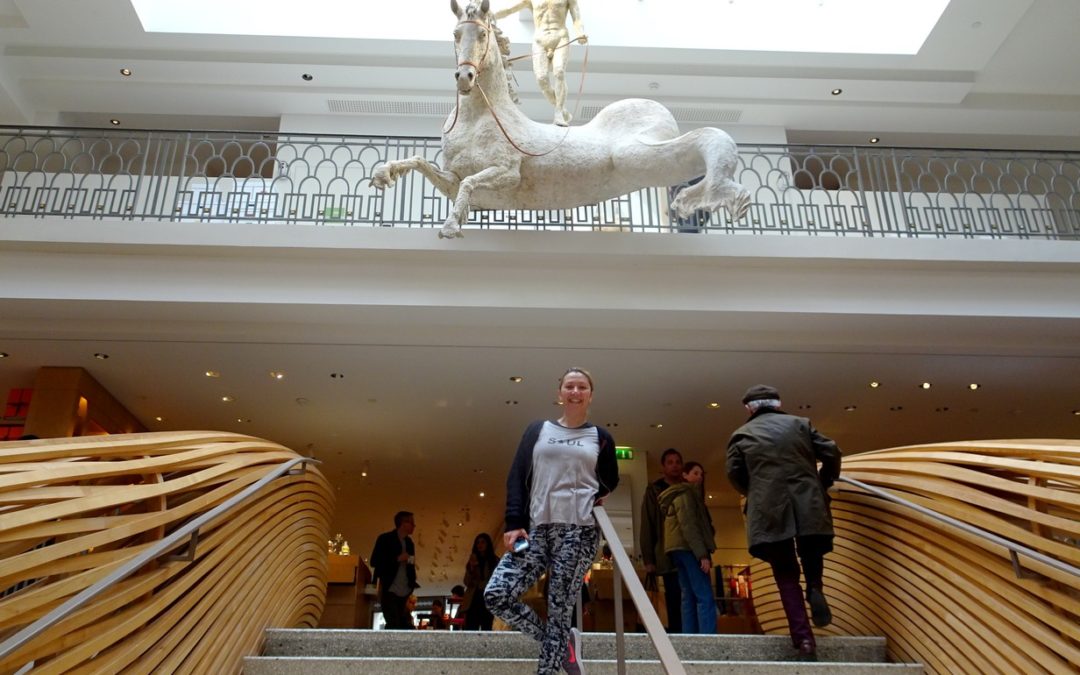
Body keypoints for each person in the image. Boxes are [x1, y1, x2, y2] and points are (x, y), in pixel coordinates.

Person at [485, 367, 619, 675]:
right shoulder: (537, 430)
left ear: (590, 395)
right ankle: (560, 644)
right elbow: (516, 476)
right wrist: (513, 522)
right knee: (496, 594)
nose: (575, 392)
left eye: (581, 387)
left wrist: (594, 497)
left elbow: (610, 479)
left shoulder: (601, 437)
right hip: (534, 530)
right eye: (569, 386)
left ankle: (552, 658)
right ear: (559, 394)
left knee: (560, 606)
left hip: (579, 531)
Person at [725, 385, 842, 661]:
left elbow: (734, 474)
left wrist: (754, 492)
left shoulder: (741, 435)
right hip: (808, 501)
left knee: (786, 576)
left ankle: (804, 642)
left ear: (749, 409)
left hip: (769, 510)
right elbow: (832, 451)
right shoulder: (800, 424)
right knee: (811, 550)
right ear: (778, 404)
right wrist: (822, 481)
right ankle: (815, 587)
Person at [494, 0, 586, 126]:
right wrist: (489, 15)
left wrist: (580, 32)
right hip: (539, 40)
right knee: (541, 78)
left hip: (560, 37)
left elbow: (577, 17)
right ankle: (561, 108)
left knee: (559, 72)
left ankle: (558, 112)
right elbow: (509, 10)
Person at [658, 461, 717, 634]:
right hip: (689, 549)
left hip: (677, 550)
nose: (699, 477)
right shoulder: (686, 495)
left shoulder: (677, 495)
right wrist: (702, 554)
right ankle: (709, 638)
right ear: (685, 475)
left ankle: (689, 636)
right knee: (704, 595)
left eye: (701, 473)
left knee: (688, 596)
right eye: (695, 473)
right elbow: (689, 525)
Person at [638, 448, 683, 633]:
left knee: (689, 595)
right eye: (670, 462)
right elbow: (647, 523)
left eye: (678, 462)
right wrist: (648, 559)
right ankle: (675, 633)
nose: (674, 465)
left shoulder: (687, 488)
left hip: (689, 551)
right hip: (666, 551)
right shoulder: (654, 491)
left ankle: (690, 632)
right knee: (673, 595)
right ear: (663, 467)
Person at [370, 511, 421, 630]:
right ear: (403, 524)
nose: (414, 526)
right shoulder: (385, 539)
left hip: (405, 589)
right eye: (412, 523)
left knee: (401, 622)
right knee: (393, 622)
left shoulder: (409, 543)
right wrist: (397, 558)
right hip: (389, 587)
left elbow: (411, 564)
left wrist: (412, 582)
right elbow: (374, 561)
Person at [461, 532, 499, 630]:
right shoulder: (472, 561)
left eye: (482, 542)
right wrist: (472, 568)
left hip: (487, 599)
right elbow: (466, 582)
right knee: (470, 629)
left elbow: (497, 581)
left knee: (487, 628)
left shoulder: (494, 560)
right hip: (473, 599)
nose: (480, 545)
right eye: (478, 543)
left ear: (488, 544)